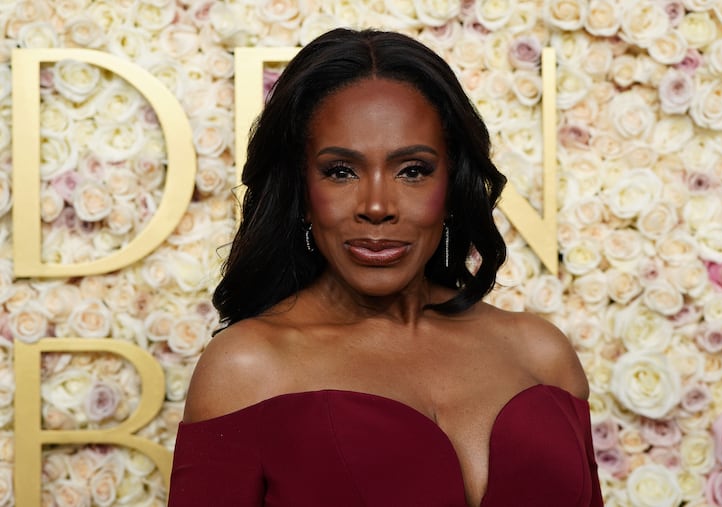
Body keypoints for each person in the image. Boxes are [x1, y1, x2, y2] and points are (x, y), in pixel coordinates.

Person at [168, 28, 602, 507]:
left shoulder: (541, 355)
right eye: (341, 171)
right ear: (303, 193)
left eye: (412, 170)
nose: (377, 205)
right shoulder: (246, 369)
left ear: (451, 186)